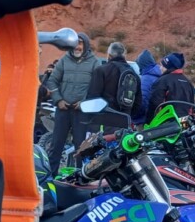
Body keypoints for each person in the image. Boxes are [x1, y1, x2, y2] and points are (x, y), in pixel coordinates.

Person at [44, 32, 101, 175]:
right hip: (63, 110)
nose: (77, 46)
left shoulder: (95, 62)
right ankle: (50, 177)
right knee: (56, 145)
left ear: (86, 44)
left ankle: (81, 177)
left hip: (81, 112)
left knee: (81, 147)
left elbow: (97, 87)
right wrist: (58, 100)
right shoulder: (64, 60)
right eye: (75, 43)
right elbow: (52, 81)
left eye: (80, 43)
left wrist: (84, 103)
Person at [86, 41, 142, 124]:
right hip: (124, 121)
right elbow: (137, 103)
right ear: (124, 56)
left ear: (109, 55)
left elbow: (93, 98)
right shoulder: (133, 75)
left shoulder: (101, 71)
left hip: (104, 122)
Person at [146, 52, 195, 122]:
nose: (160, 68)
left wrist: (148, 123)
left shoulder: (162, 81)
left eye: (162, 65)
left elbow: (154, 105)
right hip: (185, 122)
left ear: (168, 67)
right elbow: (192, 107)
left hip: (166, 123)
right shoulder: (188, 82)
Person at [134, 49, 162, 124]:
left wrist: (134, 116)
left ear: (142, 64)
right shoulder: (159, 75)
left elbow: (143, 101)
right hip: (157, 118)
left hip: (144, 121)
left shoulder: (146, 79)